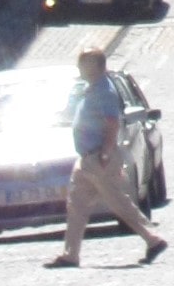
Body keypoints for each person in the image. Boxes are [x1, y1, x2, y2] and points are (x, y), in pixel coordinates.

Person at [46, 47, 167, 267]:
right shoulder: (92, 89)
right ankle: (70, 255)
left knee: (119, 203)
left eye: (82, 64)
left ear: (95, 66)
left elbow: (112, 122)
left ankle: (153, 239)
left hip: (99, 158)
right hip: (87, 159)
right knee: (76, 205)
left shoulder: (104, 91)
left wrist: (105, 152)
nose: (79, 68)